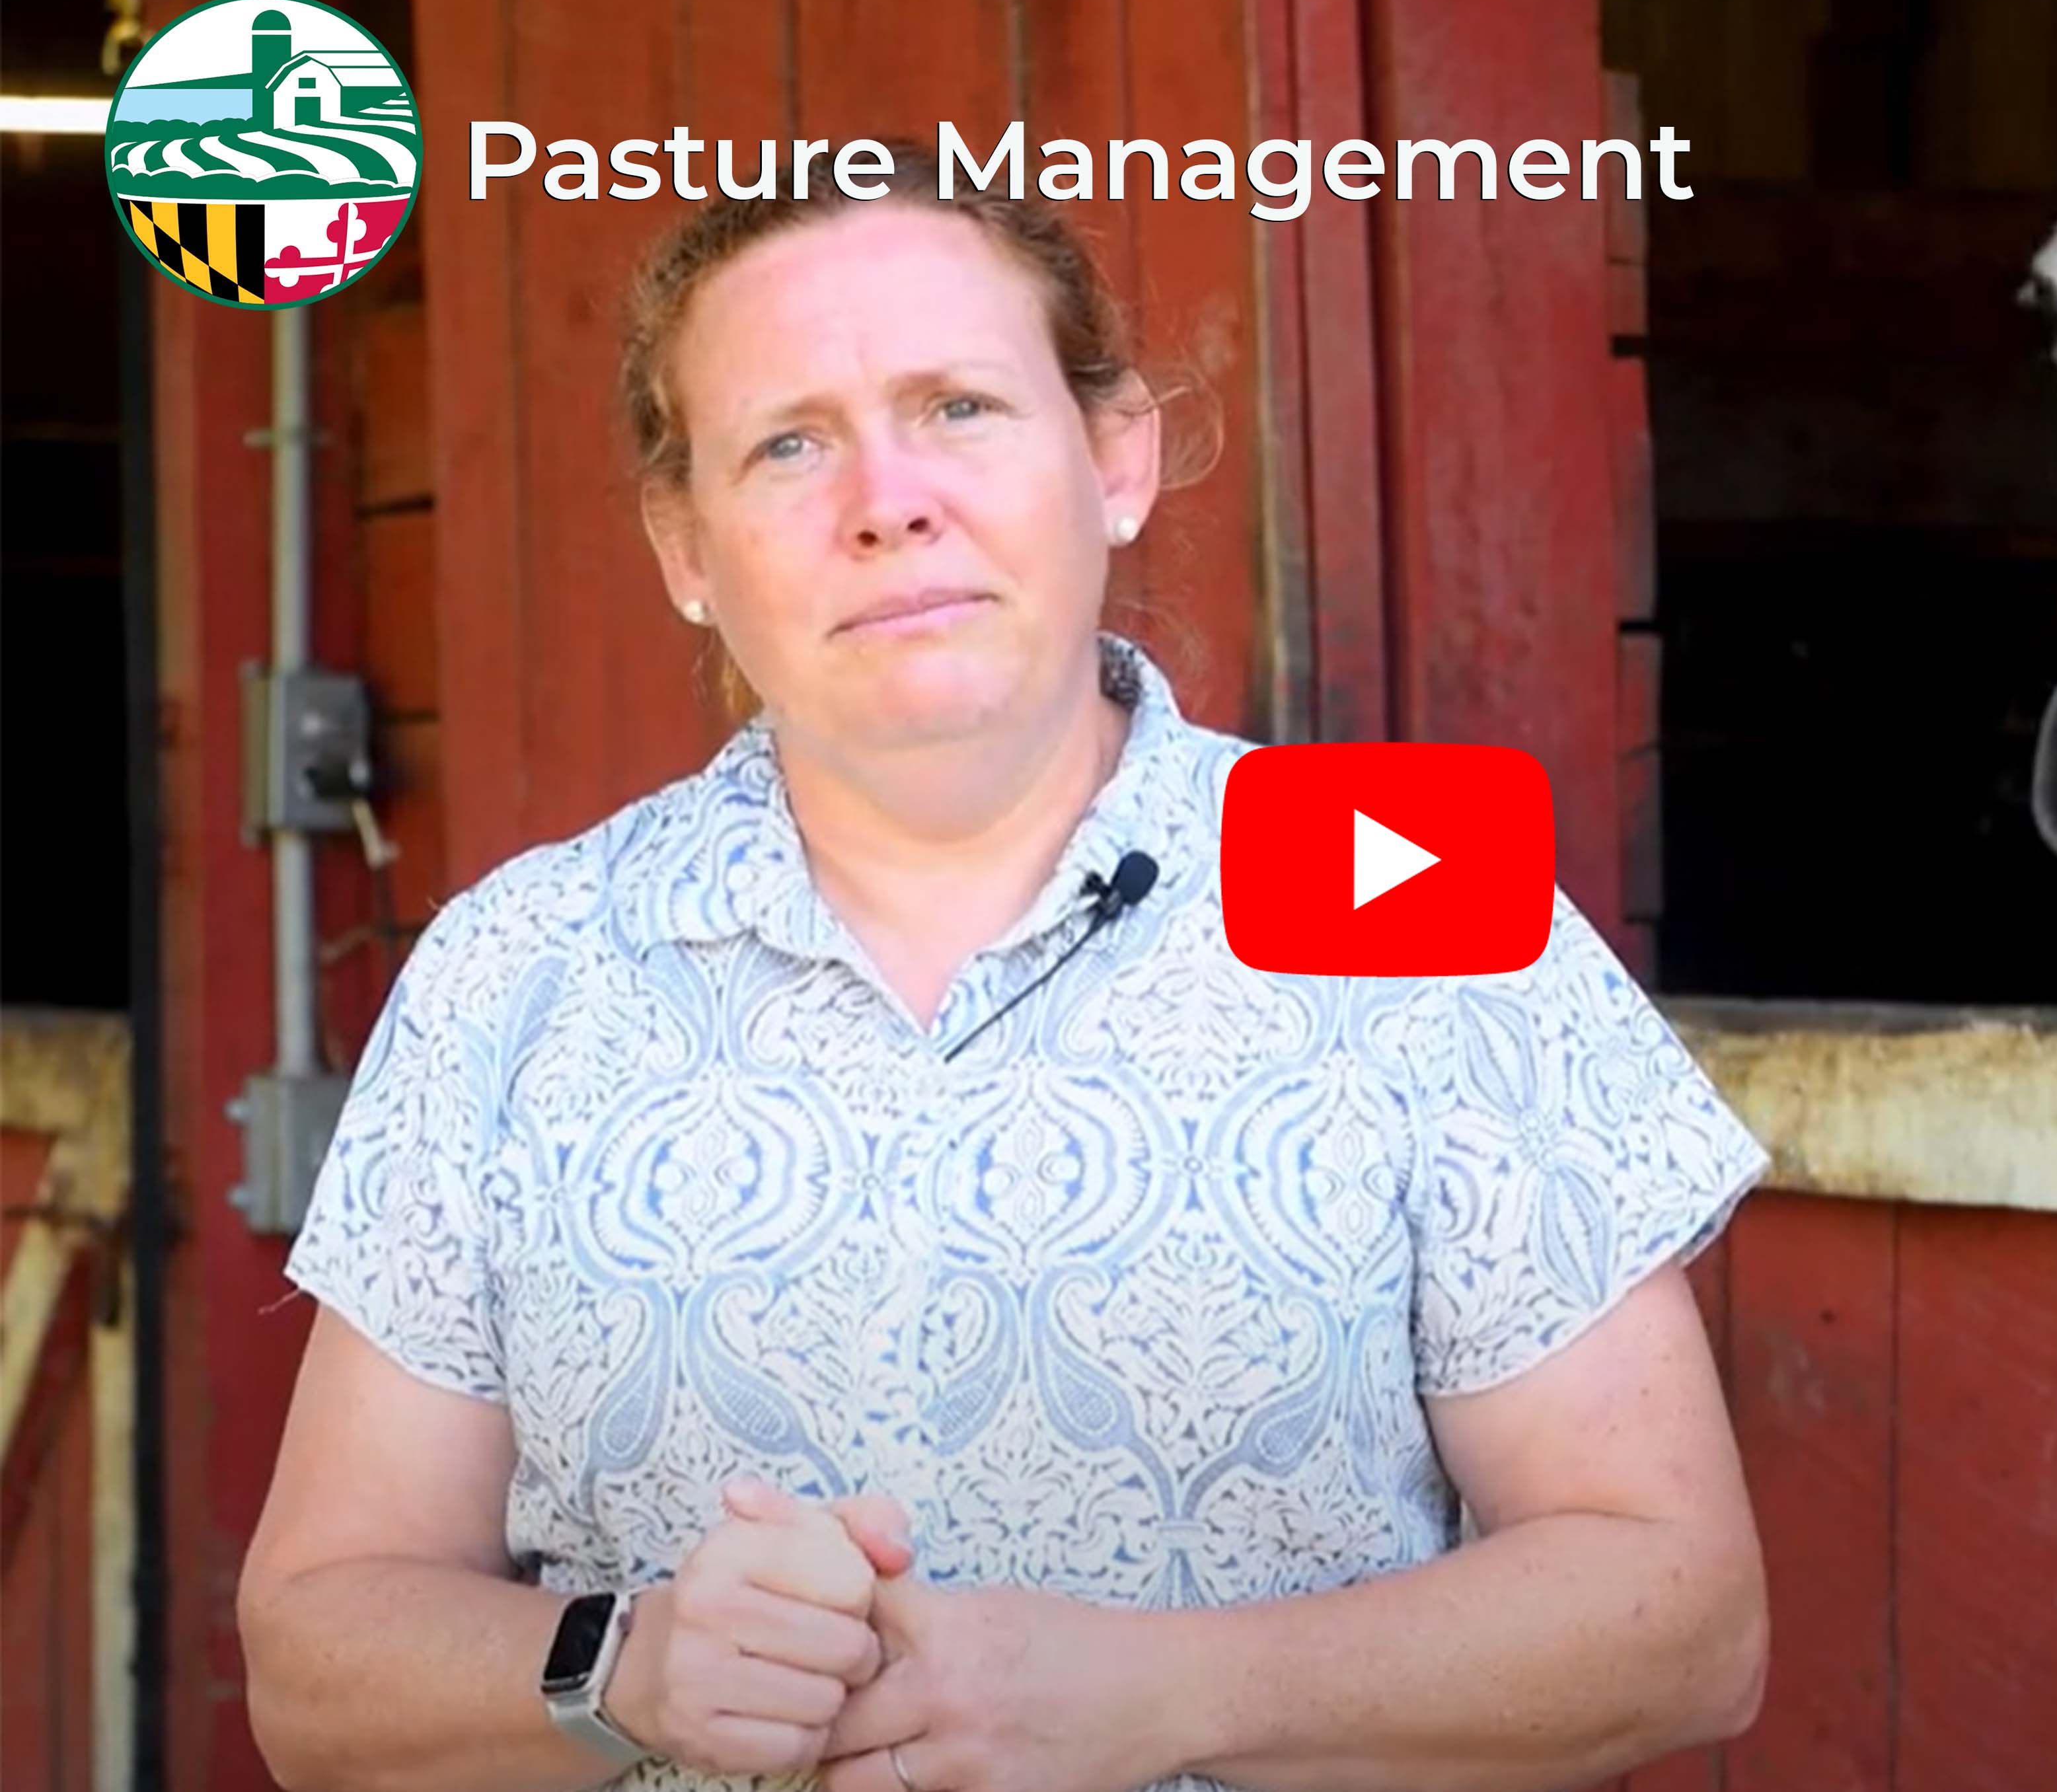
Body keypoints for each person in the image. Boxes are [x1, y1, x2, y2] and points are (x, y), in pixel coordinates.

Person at [239, 140, 1772, 1792]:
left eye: (958, 406)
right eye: (787, 444)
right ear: (685, 549)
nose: (888, 499)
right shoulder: (518, 968)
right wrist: (625, 1661)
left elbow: (1681, 1615)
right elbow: (316, 1660)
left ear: (1116, 458)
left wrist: (1171, 1693)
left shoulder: (1406, 900)